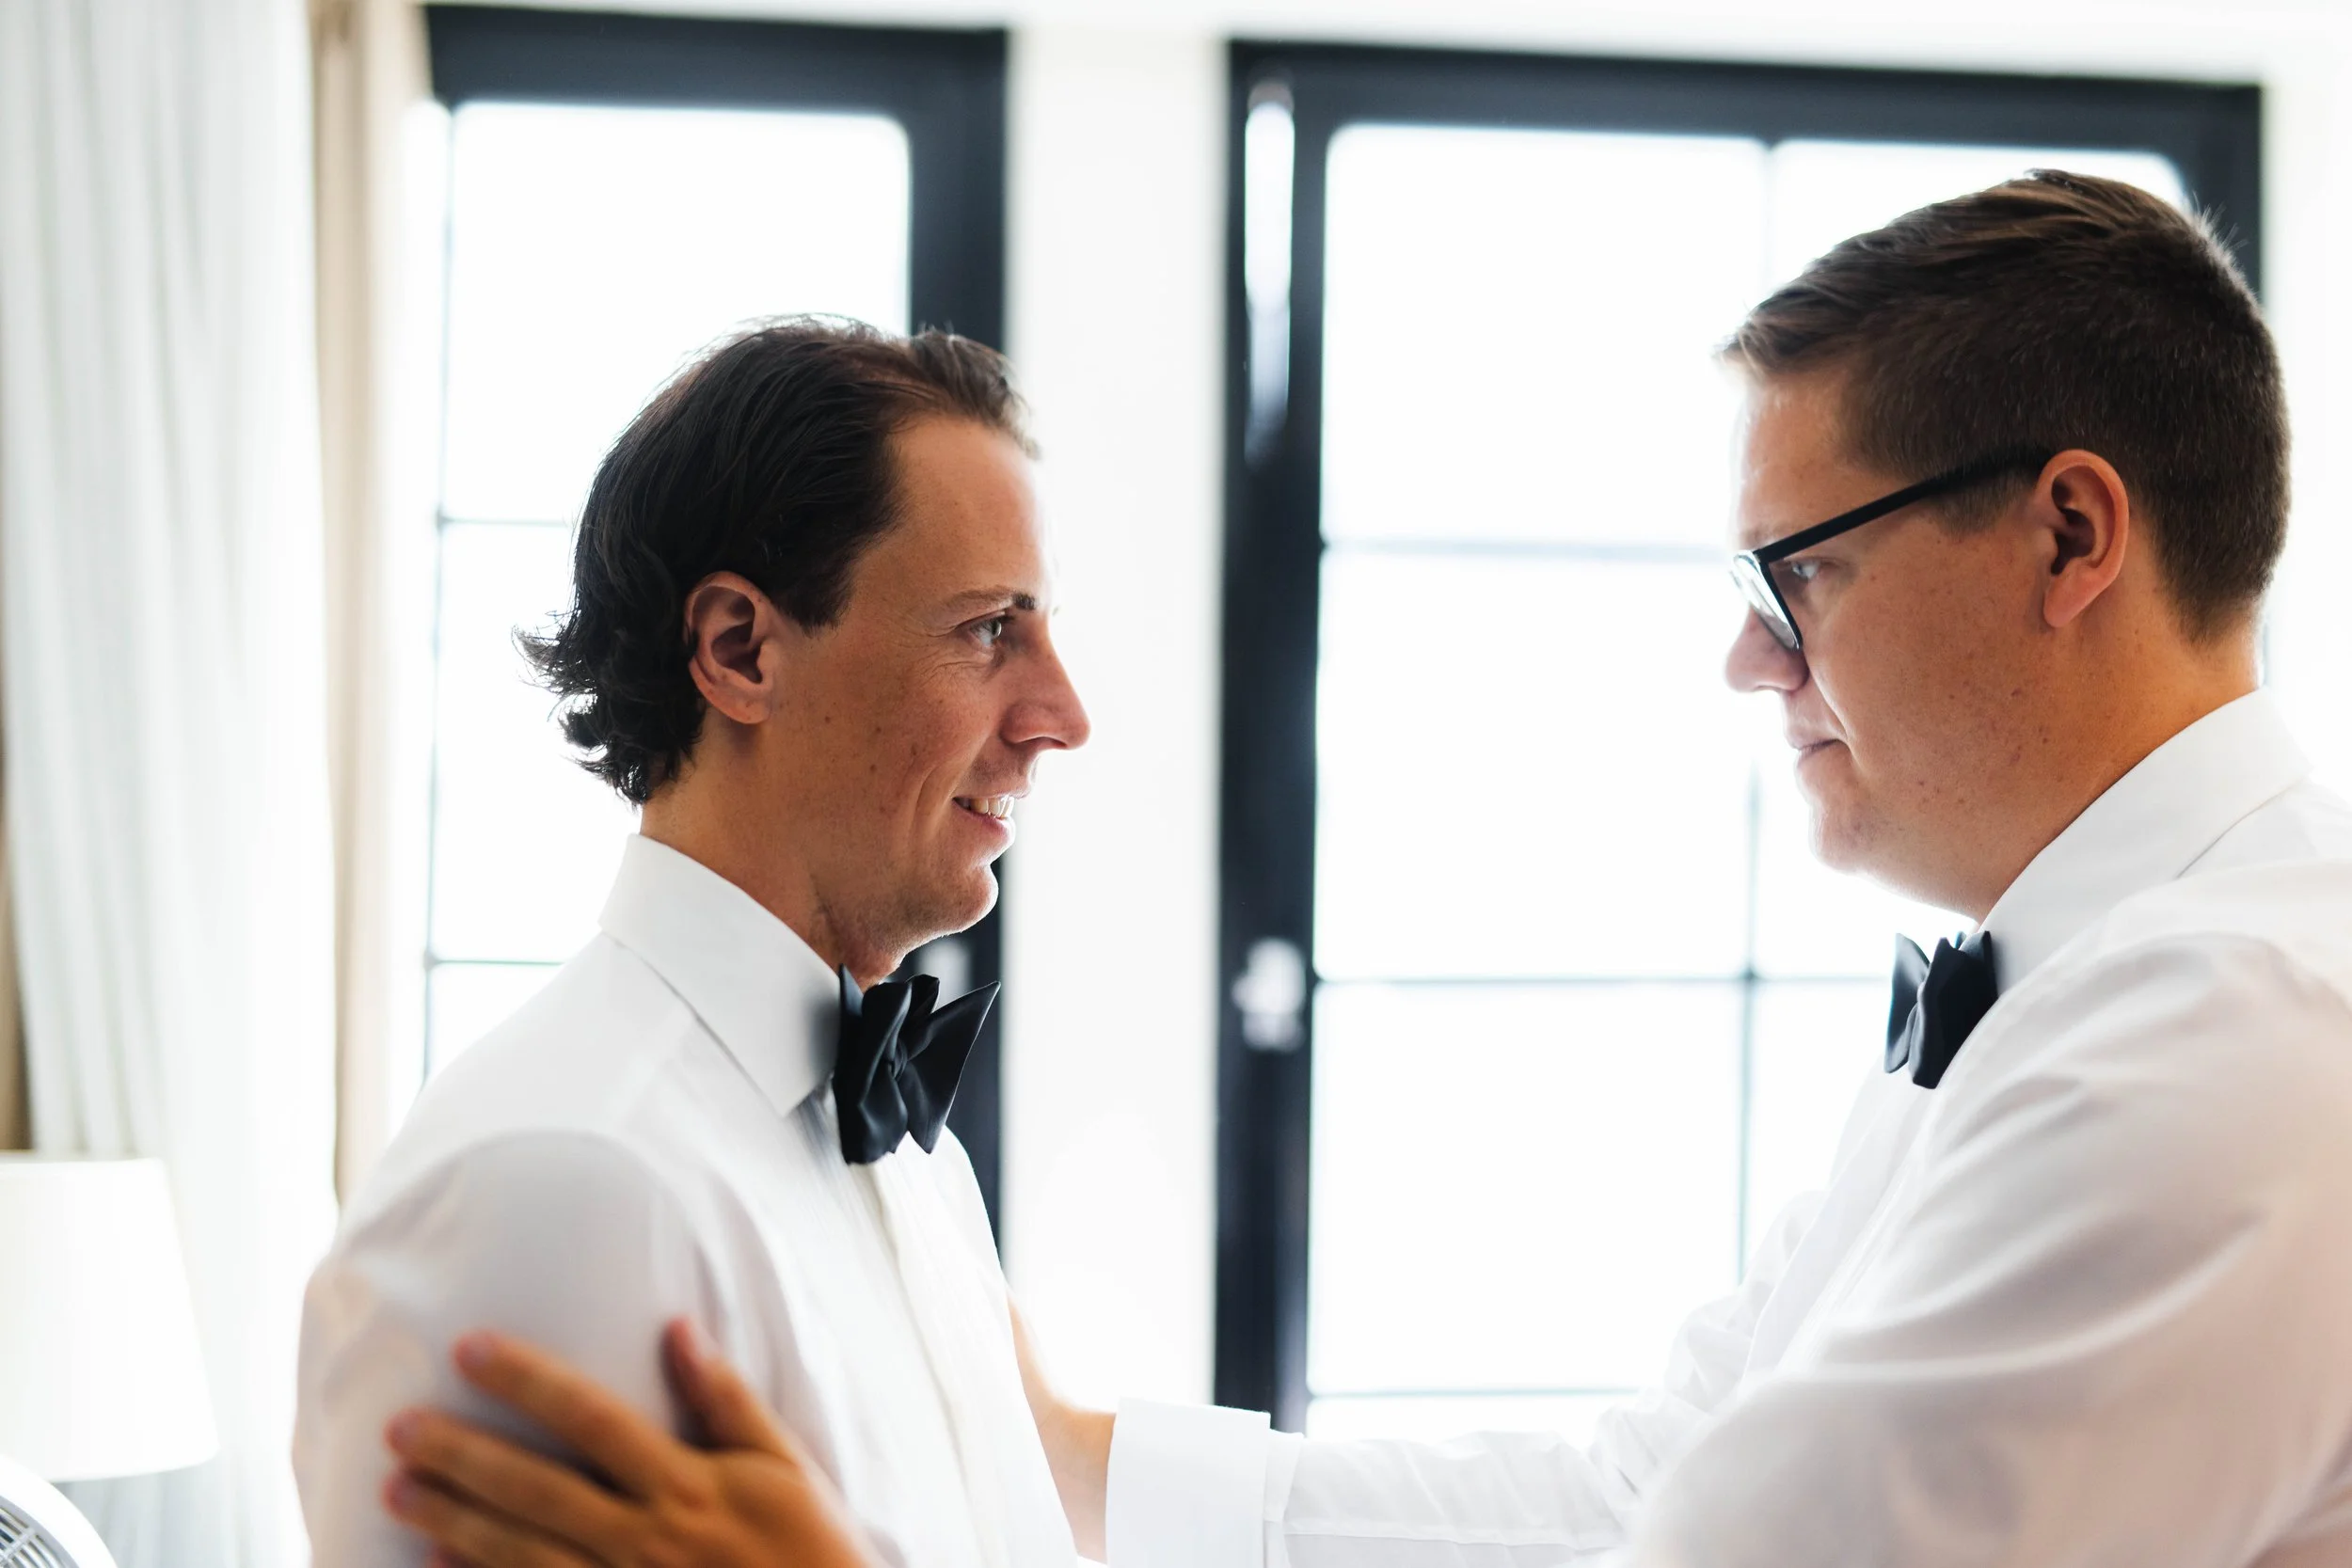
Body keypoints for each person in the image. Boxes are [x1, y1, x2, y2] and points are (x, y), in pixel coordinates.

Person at [379, 171, 2352, 1565]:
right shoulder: (588, 1174)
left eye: (1795, 571)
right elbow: (1645, 1490)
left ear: (2068, 536)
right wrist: (1065, 1460)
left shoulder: (2211, 1046)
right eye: (988, 629)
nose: (1750, 659)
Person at [293, 318, 1093, 1567]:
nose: (1064, 714)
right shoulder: (561, 1186)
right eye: (991, 627)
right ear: (739, 649)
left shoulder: (914, 1157)